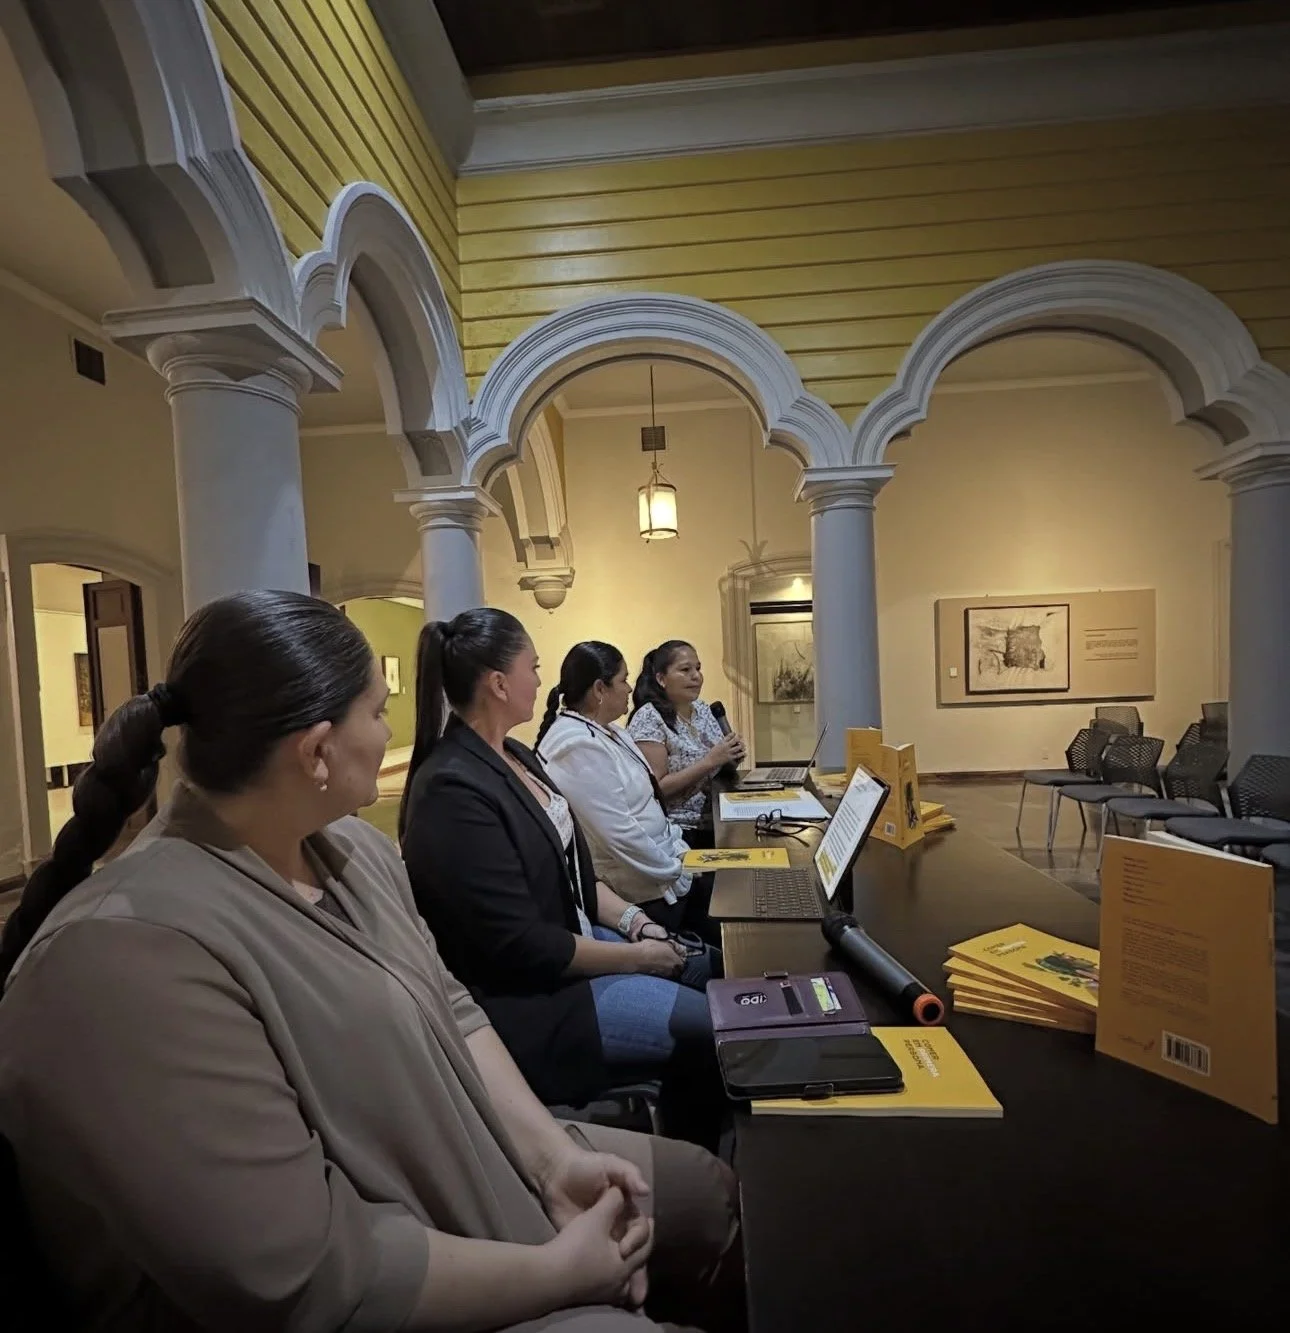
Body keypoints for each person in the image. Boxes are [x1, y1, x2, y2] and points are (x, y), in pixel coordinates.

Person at [0, 591, 741, 1333]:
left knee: (711, 1192)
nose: (396, 732)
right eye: (379, 711)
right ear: (317, 751)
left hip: (475, 1161)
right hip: (386, 1274)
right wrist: (559, 1273)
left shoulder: (354, 849)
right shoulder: (122, 956)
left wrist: (553, 1161)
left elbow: (453, 1007)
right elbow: (310, 1274)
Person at [398, 610, 725, 1149]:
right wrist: (638, 956)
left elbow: (574, 873)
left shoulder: (515, 755)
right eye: (534, 667)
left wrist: (637, 922)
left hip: (577, 948)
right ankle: (701, 1167)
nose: (541, 681)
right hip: (538, 1000)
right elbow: (523, 945)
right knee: (715, 1028)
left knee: (712, 967)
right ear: (499, 683)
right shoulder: (453, 789)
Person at [536, 642, 698, 936]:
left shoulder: (611, 731)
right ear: (600, 689)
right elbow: (619, 833)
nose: (629, 688)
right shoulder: (576, 746)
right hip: (645, 889)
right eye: (623, 680)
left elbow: (650, 803)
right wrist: (672, 869)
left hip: (667, 866)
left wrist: (678, 850)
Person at [627, 642, 746, 941]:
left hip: (716, 819)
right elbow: (657, 789)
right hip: (679, 833)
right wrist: (711, 760)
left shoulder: (704, 711)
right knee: (720, 911)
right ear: (661, 678)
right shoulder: (649, 718)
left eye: (698, 668)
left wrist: (730, 757)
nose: (696, 676)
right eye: (685, 670)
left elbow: (719, 763)